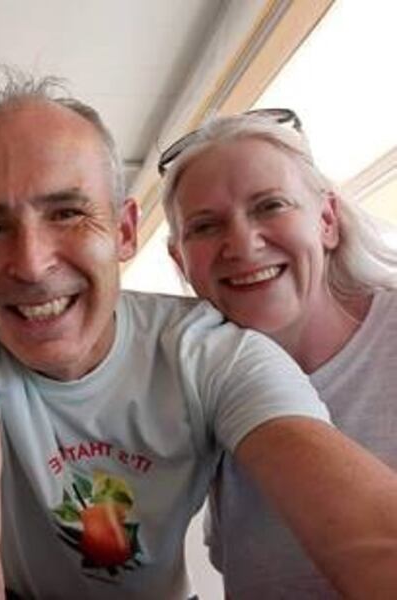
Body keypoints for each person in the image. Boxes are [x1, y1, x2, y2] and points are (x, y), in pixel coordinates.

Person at [0, 74, 397, 600]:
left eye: (68, 214)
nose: (30, 264)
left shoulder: (214, 350)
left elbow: (364, 526)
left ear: (125, 232)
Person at [161, 109, 397, 598]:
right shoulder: (198, 392)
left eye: (270, 206)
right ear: (179, 260)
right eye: (204, 227)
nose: (243, 244)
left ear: (327, 220)